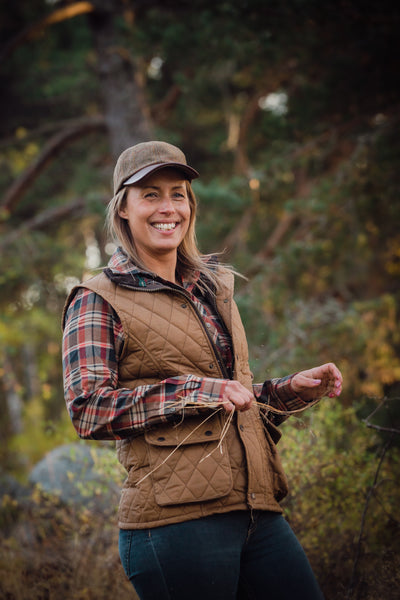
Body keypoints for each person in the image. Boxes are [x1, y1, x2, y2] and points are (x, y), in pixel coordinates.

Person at [62, 140, 343, 600]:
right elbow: (89, 410)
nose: (167, 207)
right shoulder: (97, 298)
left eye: (178, 193)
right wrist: (196, 390)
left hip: (258, 513)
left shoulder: (211, 289)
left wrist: (291, 389)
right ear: (123, 210)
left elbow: (233, 400)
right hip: (175, 526)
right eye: (150, 194)